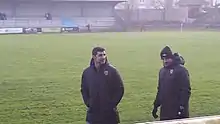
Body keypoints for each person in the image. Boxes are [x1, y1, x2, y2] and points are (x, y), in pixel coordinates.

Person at [81, 47, 124, 124]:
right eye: (100, 55)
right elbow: (84, 89)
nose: (103, 57)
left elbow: (120, 89)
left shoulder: (112, 71)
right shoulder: (87, 72)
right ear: (94, 57)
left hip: (109, 114)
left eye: (104, 55)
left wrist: (112, 104)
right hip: (93, 114)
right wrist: (88, 103)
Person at [152, 46, 191, 121]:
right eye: (163, 59)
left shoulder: (181, 70)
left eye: (167, 58)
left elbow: (186, 90)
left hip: (177, 111)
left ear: (172, 58)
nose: (165, 61)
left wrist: (182, 107)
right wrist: (156, 105)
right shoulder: (162, 71)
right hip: (165, 111)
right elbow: (160, 90)